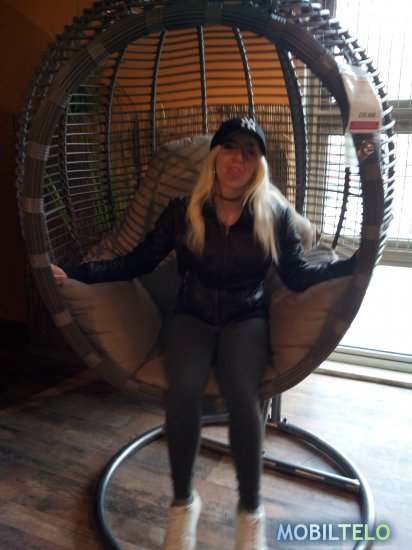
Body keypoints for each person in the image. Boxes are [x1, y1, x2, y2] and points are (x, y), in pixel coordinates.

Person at [52, 116, 356, 550]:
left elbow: (298, 275)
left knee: (243, 395)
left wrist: (352, 266)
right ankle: (182, 506)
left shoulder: (273, 215)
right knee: (182, 391)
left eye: (248, 152)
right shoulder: (183, 209)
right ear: (215, 156)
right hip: (191, 316)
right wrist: (77, 274)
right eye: (230, 148)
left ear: (257, 165)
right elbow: (138, 261)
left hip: (245, 318)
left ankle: (250, 513)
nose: (237, 159)